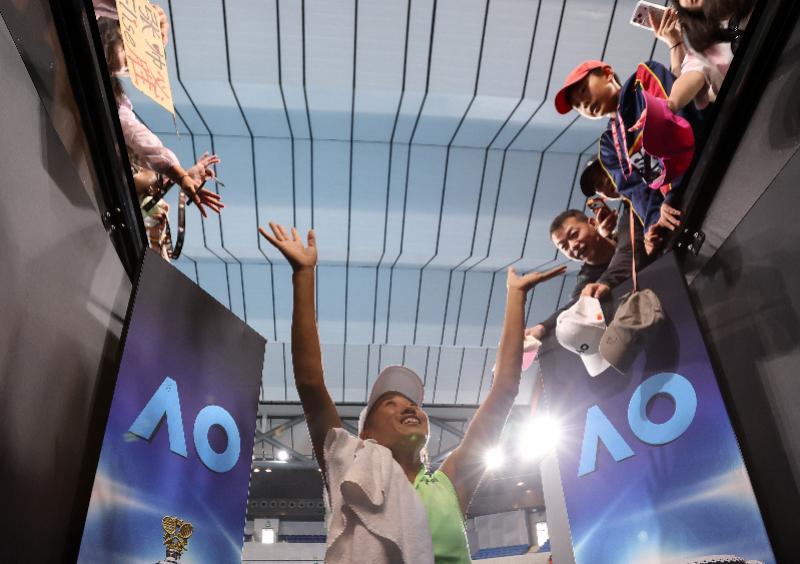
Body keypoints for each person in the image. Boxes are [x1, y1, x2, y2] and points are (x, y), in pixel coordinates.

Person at [258, 222, 565, 564]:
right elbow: (311, 384)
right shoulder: (349, 466)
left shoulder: (449, 485)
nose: (409, 408)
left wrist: (516, 296)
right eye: (389, 403)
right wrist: (303, 275)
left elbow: (505, 390)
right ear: (366, 434)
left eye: (413, 405)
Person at [554, 58, 699, 250]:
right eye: (578, 106)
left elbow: (682, 122)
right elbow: (636, 191)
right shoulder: (609, 147)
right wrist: (653, 225)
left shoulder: (643, 79)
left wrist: (672, 195)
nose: (585, 104)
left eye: (583, 91)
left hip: (708, 162)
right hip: (679, 207)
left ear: (607, 73)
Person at [96, 17, 223, 218]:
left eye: (132, 68)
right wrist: (180, 175)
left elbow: (139, 137)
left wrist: (181, 175)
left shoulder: (115, 99)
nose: (128, 67)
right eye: (128, 50)